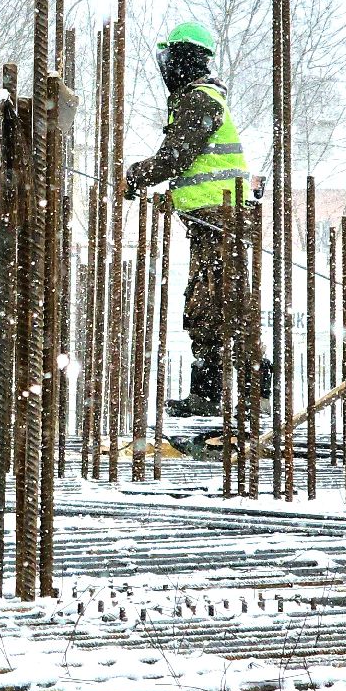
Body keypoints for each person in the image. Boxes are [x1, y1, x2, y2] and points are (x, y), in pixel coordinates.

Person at [121, 21, 264, 418]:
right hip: (211, 218)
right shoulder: (195, 99)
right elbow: (195, 169)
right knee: (208, 305)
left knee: (224, 303)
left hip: (223, 220)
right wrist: (178, 198)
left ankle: (255, 389)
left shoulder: (199, 100)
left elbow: (176, 157)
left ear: (184, 59)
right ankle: (211, 392)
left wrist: (134, 175)